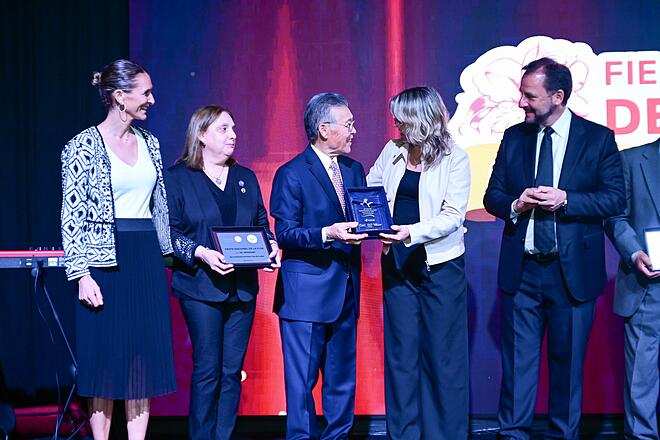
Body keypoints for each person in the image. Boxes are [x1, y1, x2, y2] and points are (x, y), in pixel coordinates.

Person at [483, 57, 625, 440]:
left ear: (558, 96)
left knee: (568, 365)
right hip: (523, 272)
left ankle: (565, 435)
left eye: (530, 96)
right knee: (517, 366)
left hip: (572, 274)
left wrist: (566, 200)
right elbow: (492, 196)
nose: (521, 103)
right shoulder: (514, 137)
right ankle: (513, 433)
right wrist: (517, 203)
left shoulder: (597, 139)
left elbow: (614, 198)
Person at [60, 59, 175, 440]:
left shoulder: (150, 143)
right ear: (119, 97)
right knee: (106, 360)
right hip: (104, 261)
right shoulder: (82, 146)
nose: (152, 100)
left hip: (143, 256)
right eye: (145, 93)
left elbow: (158, 206)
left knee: (142, 357)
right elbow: (72, 215)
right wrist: (80, 274)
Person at [165, 105, 280, 439]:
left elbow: (260, 222)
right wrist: (200, 253)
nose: (233, 135)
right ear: (202, 135)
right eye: (224, 129)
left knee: (232, 372)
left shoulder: (244, 177)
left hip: (242, 288)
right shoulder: (178, 178)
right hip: (200, 287)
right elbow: (169, 232)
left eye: (234, 128)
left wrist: (270, 245)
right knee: (207, 371)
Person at [366, 86, 471, 439]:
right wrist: (370, 220)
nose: (395, 123)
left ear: (421, 119)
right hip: (397, 264)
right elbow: (371, 188)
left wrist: (411, 232)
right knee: (401, 356)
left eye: (401, 117)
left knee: (443, 358)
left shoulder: (454, 157)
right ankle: (404, 433)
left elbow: (453, 216)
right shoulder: (392, 150)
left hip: (439, 266)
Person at [270, 92, 367, 439]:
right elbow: (286, 233)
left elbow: (365, 216)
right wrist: (328, 233)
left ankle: (338, 435)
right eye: (349, 124)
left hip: (345, 289)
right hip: (305, 294)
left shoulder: (355, 169)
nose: (355, 130)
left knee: (342, 379)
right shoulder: (292, 173)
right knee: (301, 385)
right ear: (324, 129)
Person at [605, 138, 660, 440]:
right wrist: (634, 252)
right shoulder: (631, 159)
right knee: (642, 374)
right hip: (647, 285)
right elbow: (615, 216)